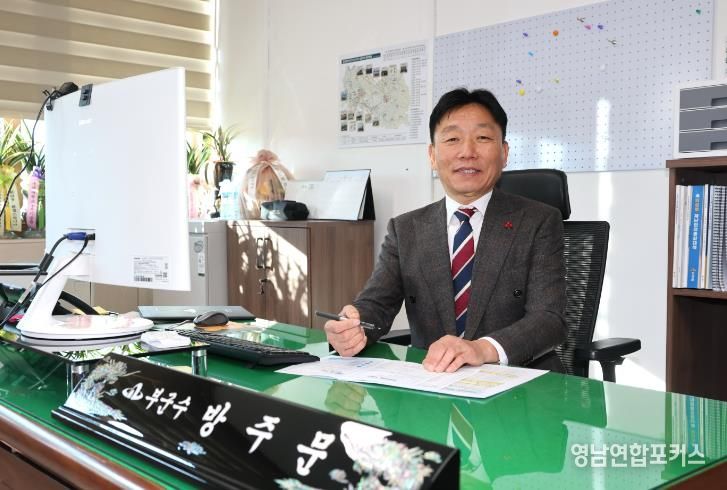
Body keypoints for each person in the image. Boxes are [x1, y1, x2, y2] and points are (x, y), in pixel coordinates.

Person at [324, 88, 567, 373]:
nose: (467, 152)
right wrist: (353, 326)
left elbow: (549, 319)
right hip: (434, 380)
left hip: (518, 380)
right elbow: (376, 304)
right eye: (452, 139)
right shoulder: (406, 229)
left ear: (504, 153)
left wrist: (481, 349)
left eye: (483, 138)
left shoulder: (539, 222)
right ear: (432, 155)